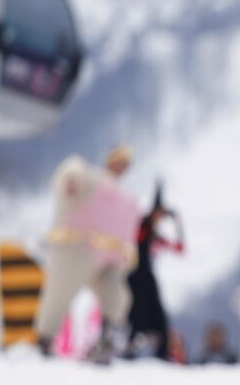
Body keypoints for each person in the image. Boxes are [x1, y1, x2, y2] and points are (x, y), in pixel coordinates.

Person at [35, 145, 142, 365]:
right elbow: (72, 170)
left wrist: (126, 257)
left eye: (126, 164)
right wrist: (71, 179)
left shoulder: (126, 197)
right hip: (76, 246)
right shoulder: (91, 178)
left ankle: (106, 339)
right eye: (119, 161)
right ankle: (44, 340)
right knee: (59, 294)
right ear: (110, 160)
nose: (122, 167)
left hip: (108, 255)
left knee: (117, 296)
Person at [126, 186, 184, 360]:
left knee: (157, 317)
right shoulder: (142, 226)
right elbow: (133, 235)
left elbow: (179, 248)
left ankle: (162, 354)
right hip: (135, 277)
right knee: (136, 315)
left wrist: (177, 223)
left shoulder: (153, 234)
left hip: (147, 278)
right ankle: (130, 351)